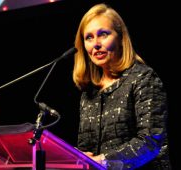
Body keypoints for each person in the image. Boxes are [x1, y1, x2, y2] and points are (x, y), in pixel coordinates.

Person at [72, 3, 171, 170]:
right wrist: (75, 157)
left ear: (120, 38)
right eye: (89, 37)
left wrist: (102, 161)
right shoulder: (89, 93)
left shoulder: (143, 78)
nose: (95, 44)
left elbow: (150, 141)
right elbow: (85, 148)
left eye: (103, 34)